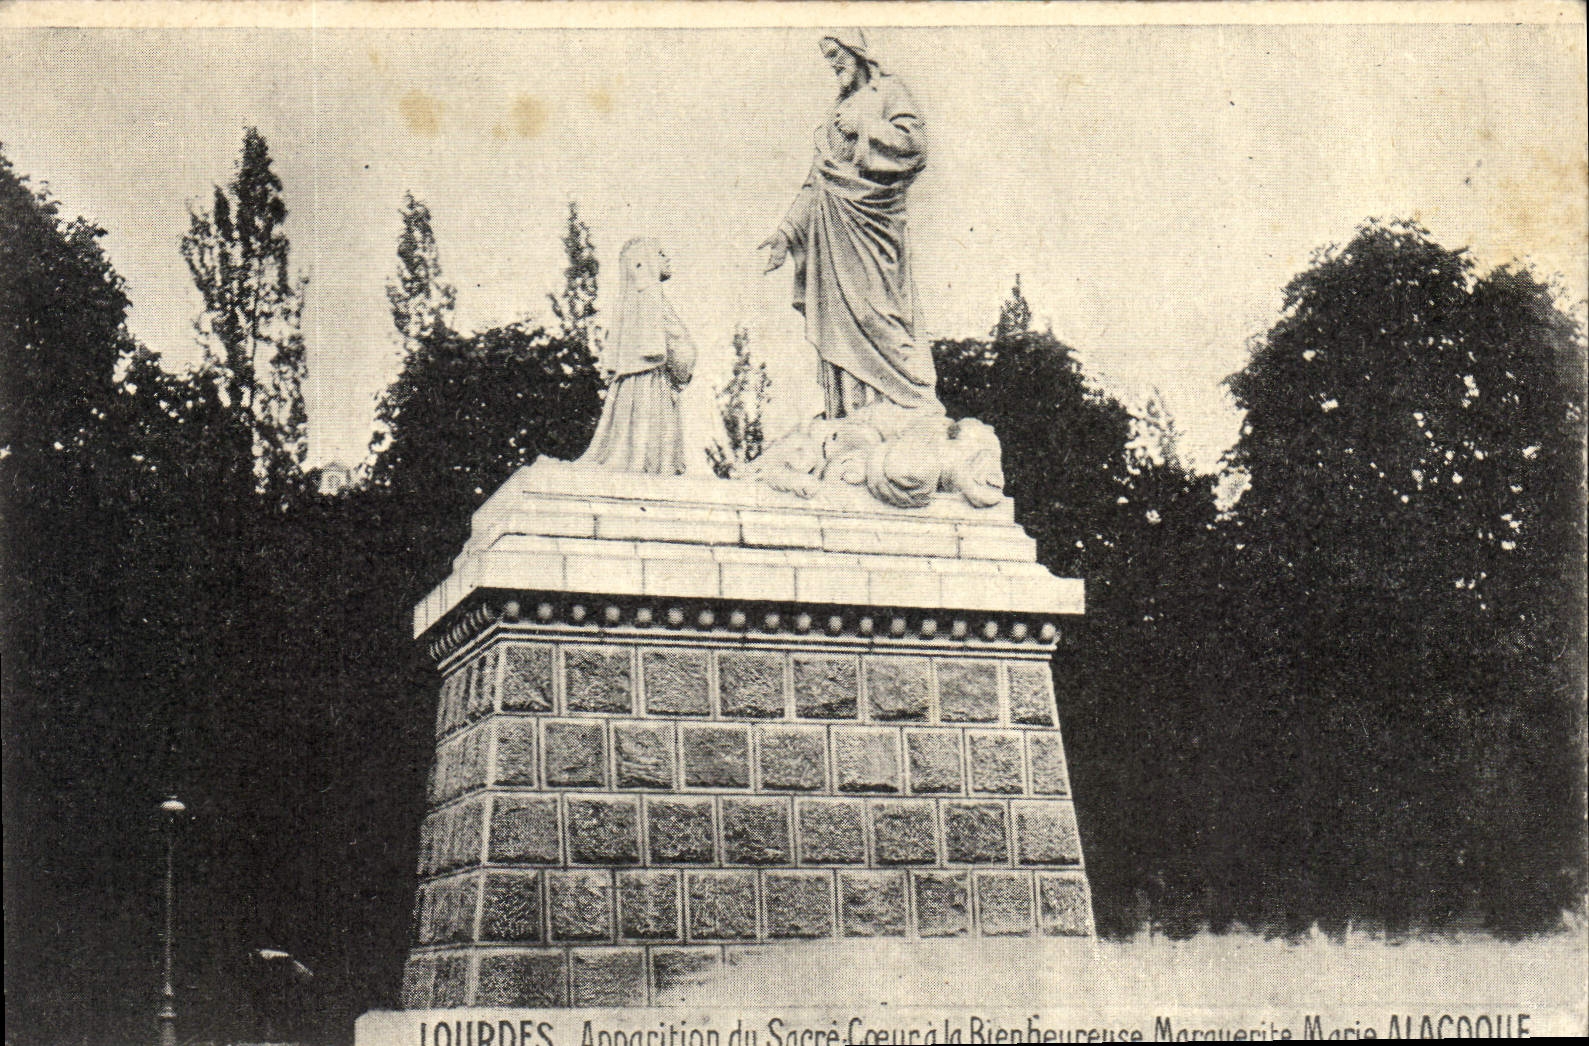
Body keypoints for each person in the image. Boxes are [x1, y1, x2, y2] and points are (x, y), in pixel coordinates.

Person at [760, 29, 941, 420]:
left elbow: (916, 146)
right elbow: (817, 180)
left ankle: (909, 401)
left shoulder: (889, 92)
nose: (833, 63)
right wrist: (786, 233)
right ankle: (851, 413)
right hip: (833, 233)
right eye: (827, 57)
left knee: (878, 312)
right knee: (840, 315)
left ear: (856, 51)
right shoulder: (833, 114)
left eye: (836, 53)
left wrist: (866, 126)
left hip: (874, 225)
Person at [576, 237, 696, 473]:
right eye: (661, 253)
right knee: (648, 454)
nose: (667, 258)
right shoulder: (652, 298)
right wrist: (684, 372)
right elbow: (678, 342)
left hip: (627, 386)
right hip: (652, 384)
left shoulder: (628, 302)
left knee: (623, 444)